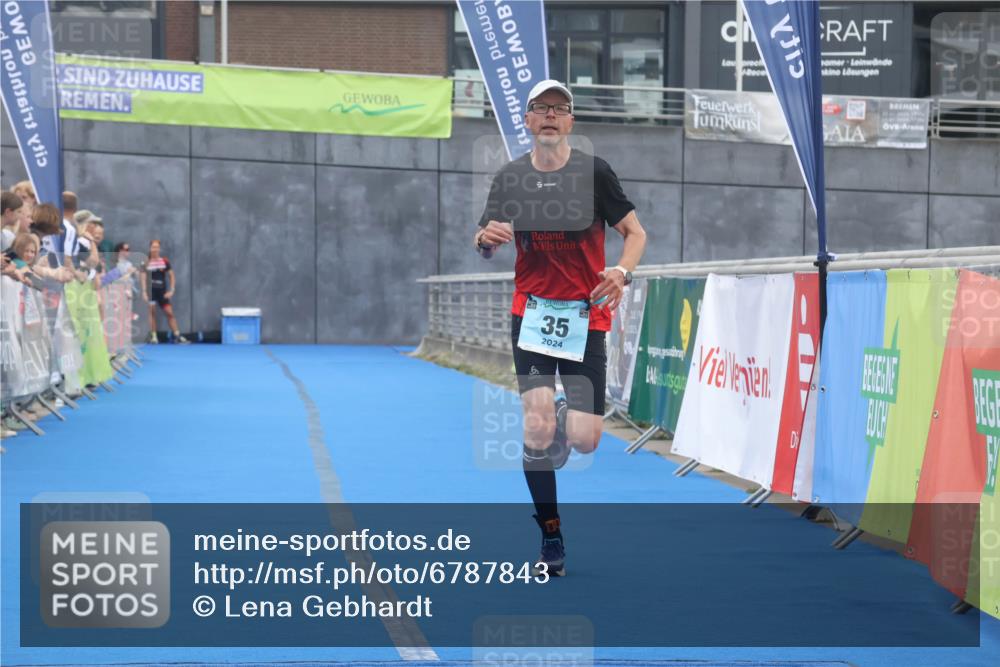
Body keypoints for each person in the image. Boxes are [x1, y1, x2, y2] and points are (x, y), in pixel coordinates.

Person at [474, 79, 647, 576]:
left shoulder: (594, 173)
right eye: (541, 108)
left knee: (587, 439)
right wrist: (485, 238)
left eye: (560, 109)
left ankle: (571, 409)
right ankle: (551, 535)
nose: (550, 115)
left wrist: (621, 270)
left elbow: (635, 234)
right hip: (530, 313)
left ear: (571, 122)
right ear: (527, 120)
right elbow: (484, 240)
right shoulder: (510, 177)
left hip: (585, 315)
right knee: (536, 425)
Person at [140, 239, 189, 344]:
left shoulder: (165, 261)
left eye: (157, 247)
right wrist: (144, 291)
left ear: (159, 248)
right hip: (151, 292)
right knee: (152, 313)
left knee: (170, 313)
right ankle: (154, 337)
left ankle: (177, 335)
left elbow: (171, 276)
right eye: (153, 247)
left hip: (162, 293)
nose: (155, 249)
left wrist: (171, 290)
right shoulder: (145, 261)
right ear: (150, 248)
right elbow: (143, 277)